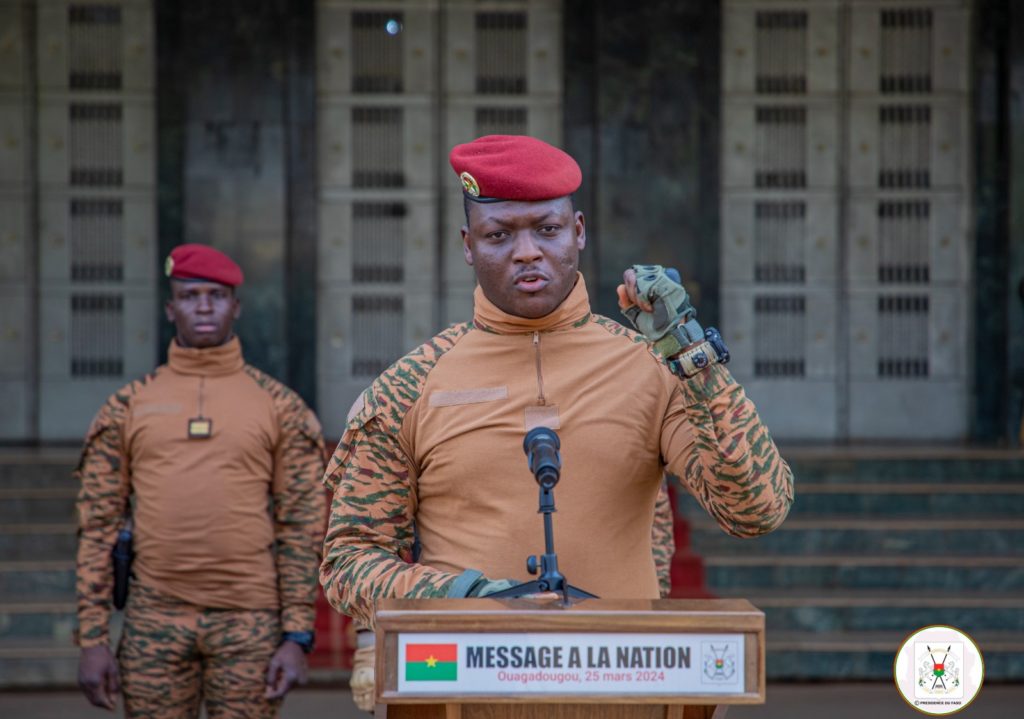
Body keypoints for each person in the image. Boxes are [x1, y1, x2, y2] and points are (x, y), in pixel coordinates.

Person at [320, 134, 793, 703]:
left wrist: (693, 357)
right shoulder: (409, 385)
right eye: (499, 235)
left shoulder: (653, 365)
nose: (526, 252)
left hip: (624, 688)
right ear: (468, 245)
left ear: (579, 231)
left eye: (547, 229)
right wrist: (467, 596)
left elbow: (757, 509)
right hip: (466, 691)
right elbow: (349, 560)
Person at [74, 244, 327, 718]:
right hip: (154, 619)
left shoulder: (280, 407)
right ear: (172, 310)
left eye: (216, 295)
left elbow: (301, 529)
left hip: (248, 623)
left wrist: (296, 635)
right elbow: (98, 527)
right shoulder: (128, 406)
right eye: (191, 296)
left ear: (237, 307)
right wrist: (92, 639)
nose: (205, 306)